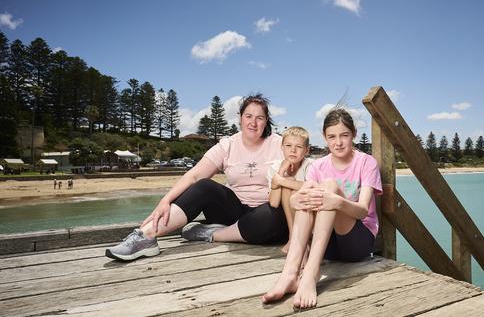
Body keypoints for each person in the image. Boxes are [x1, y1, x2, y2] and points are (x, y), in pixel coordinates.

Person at [105, 94, 288, 261]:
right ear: (240, 118)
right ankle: (145, 237)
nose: (253, 123)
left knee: (274, 215)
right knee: (205, 185)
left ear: (266, 122)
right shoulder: (227, 145)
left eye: (260, 118)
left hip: (266, 214)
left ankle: (212, 234)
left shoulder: (280, 144)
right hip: (231, 211)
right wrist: (165, 200)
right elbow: (194, 176)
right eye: (248, 116)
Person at [262, 108, 382, 309]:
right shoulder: (319, 166)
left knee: (328, 186)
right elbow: (302, 200)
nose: (338, 142)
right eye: (332, 137)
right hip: (326, 245)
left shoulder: (366, 163)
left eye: (344, 135)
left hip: (357, 242)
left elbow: (362, 210)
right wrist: (294, 202)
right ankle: (290, 273)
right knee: (310, 188)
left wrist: (337, 202)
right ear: (325, 138)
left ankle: (309, 275)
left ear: (353, 134)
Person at [267, 126, 314, 254]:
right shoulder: (275, 167)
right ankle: (294, 237)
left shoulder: (310, 165)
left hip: (309, 213)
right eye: (288, 145)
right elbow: (274, 203)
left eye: (298, 147)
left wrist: (281, 181)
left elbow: (311, 187)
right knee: (289, 187)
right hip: (285, 216)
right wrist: (281, 172)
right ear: (282, 147)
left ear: (306, 150)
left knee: (292, 187)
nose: (293, 150)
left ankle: (301, 240)